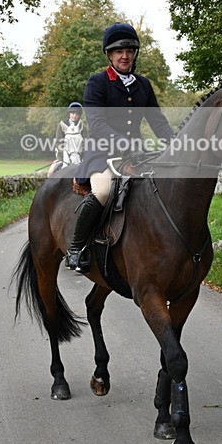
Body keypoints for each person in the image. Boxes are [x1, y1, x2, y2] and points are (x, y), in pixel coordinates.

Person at [66, 22, 174, 272]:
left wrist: (177, 143)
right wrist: (126, 143)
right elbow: (97, 124)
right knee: (103, 192)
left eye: (129, 50)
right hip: (102, 153)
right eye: (118, 51)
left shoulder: (144, 85)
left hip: (137, 154)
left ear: (135, 53)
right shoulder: (97, 82)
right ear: (109, 54)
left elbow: (157, 121)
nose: (124, 55)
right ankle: (77, 247)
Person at [54, 102, 85, 167]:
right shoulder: (62, 125)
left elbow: (87, 142)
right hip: (64, 152)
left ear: (79, 115)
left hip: (80, 154)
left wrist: (84, 155)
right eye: (73, 114)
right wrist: (61, 156)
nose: (74, 116)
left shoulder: (83, 126)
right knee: (51, 172)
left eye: (77, 114)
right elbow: (58, 142)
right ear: (69, 114)